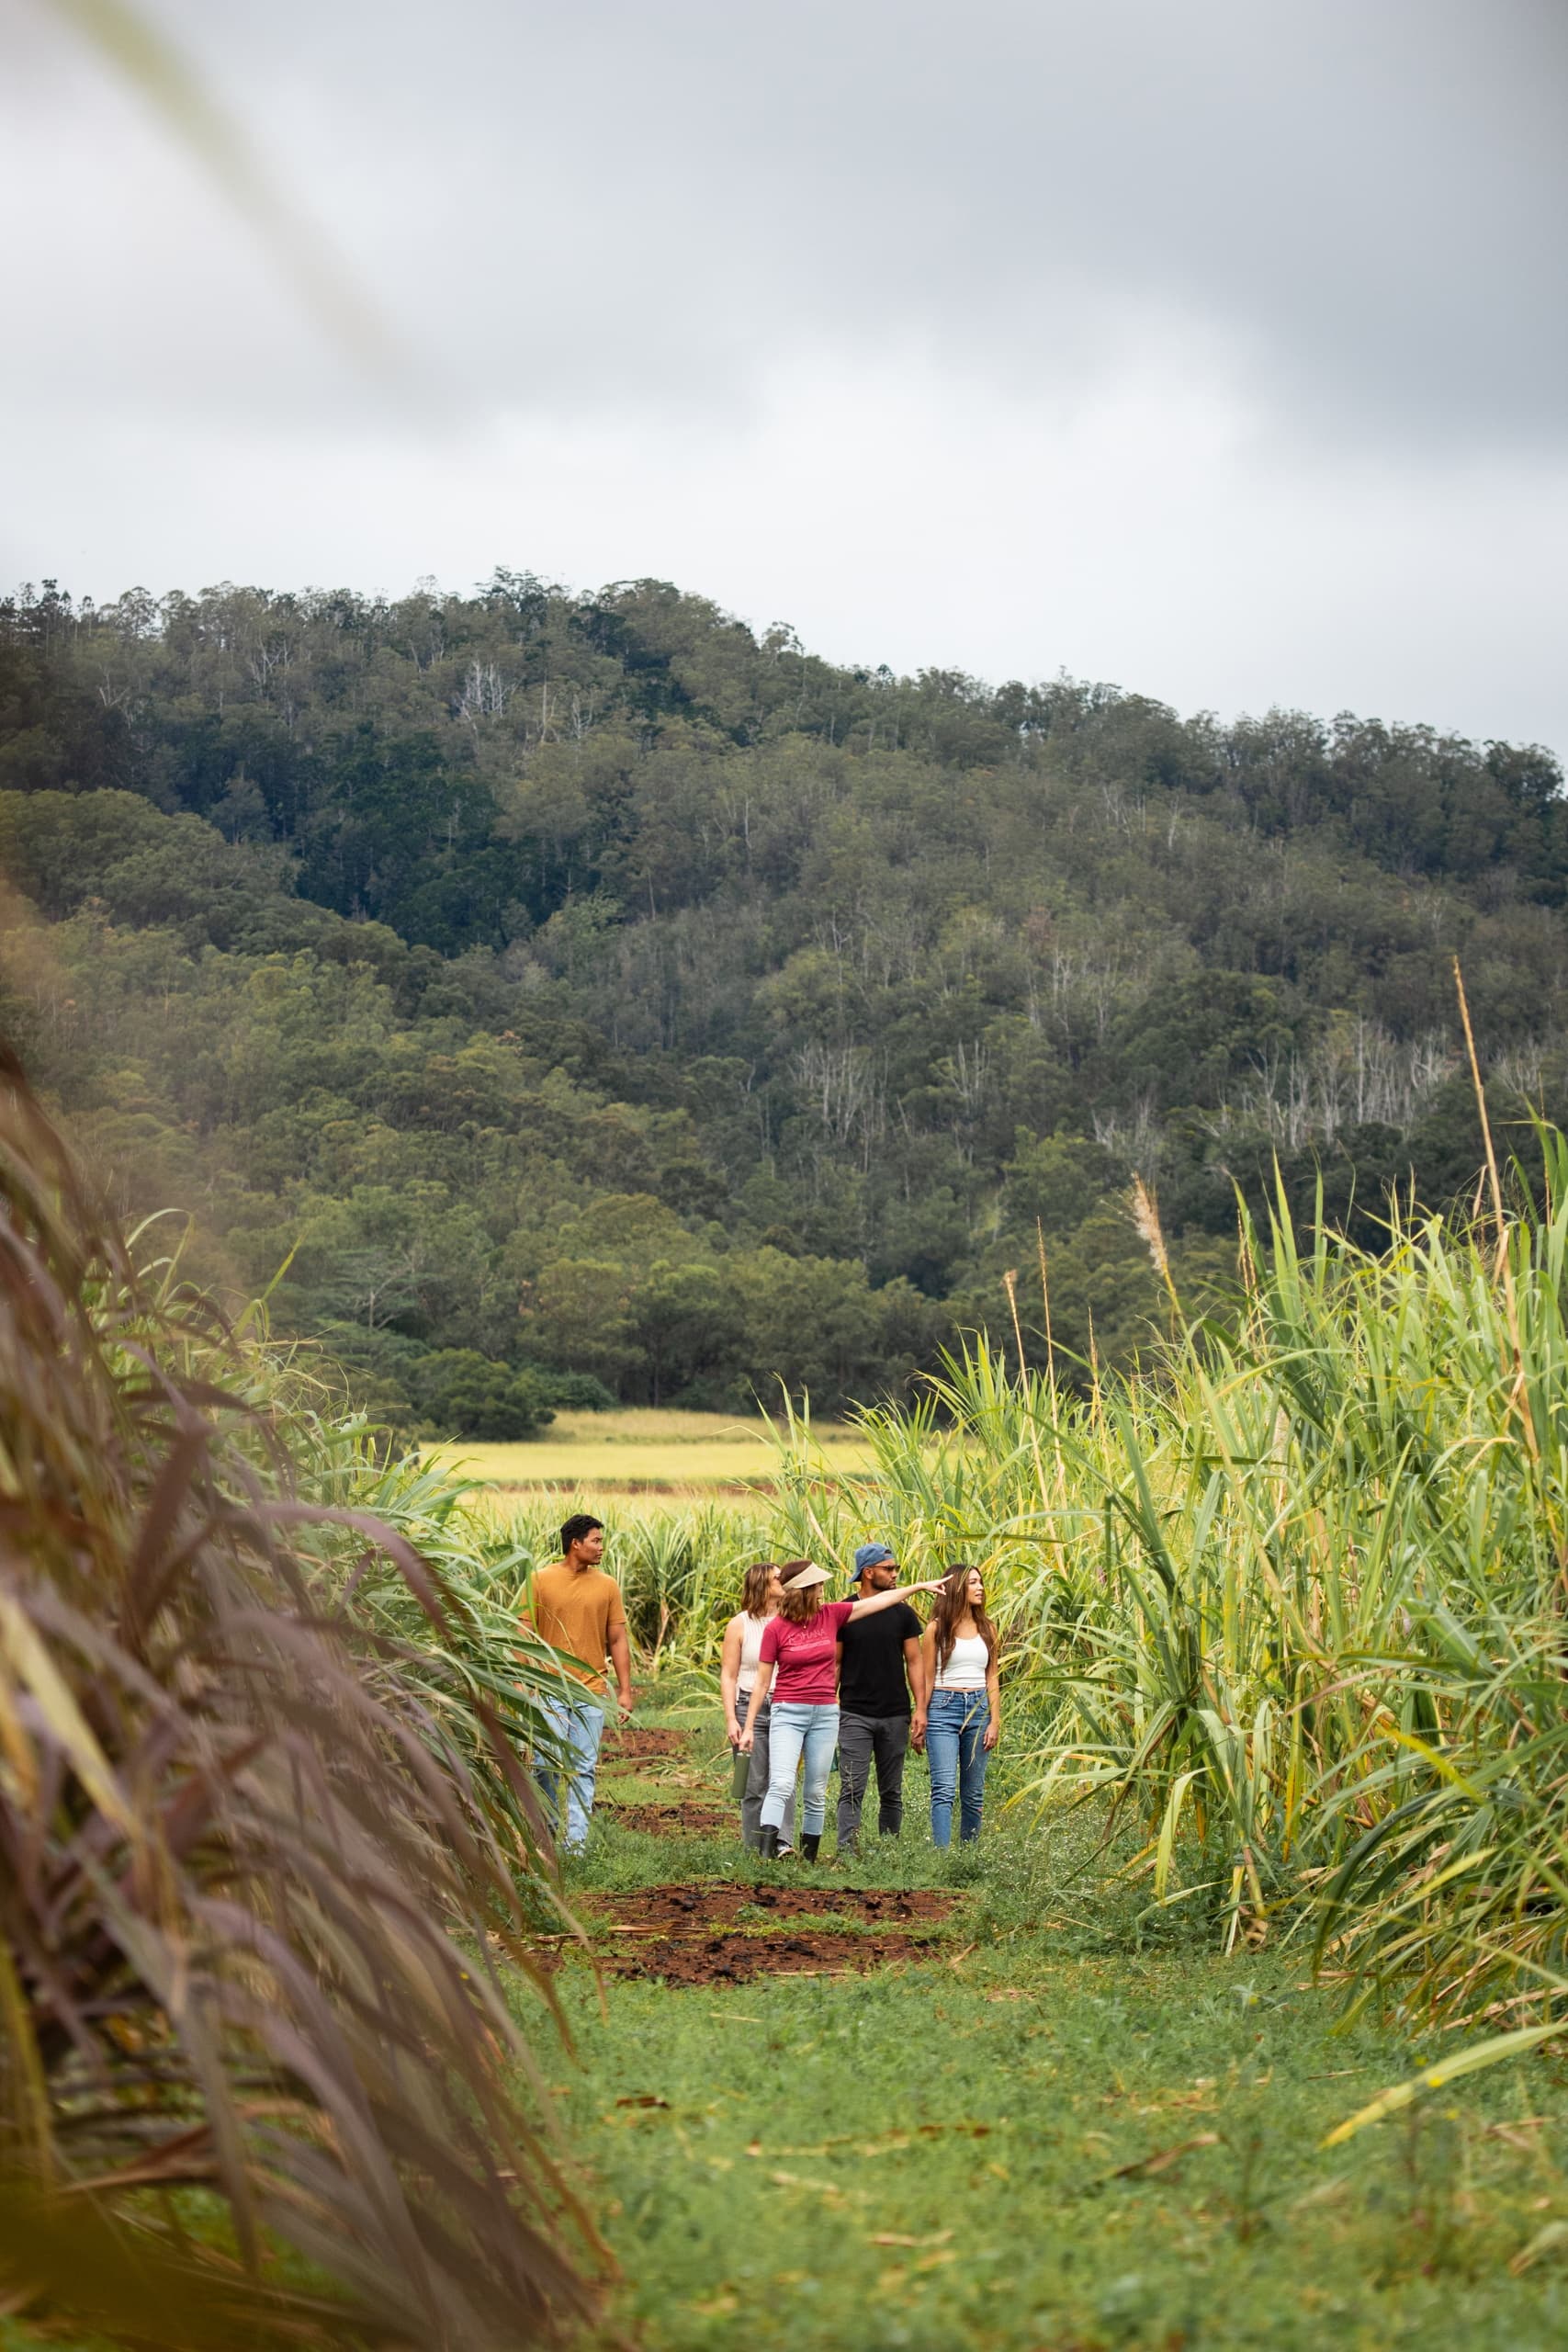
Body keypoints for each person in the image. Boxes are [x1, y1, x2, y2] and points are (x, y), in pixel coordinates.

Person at [739, 1559, 944, 1862]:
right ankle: (768, 1853)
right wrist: (748, 1727)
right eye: (818, 1584)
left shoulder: (831, 1615)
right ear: (803, 1588)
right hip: (788, 1711)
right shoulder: (777, 1629)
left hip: (824, 1714)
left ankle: (808, 1858)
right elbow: (762, 1683)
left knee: (816, 1791)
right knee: (781, 1783)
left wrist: (919, 1587)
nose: (824, 1588)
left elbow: (882, 1601)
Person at [519, 1512, 633, 1854]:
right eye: (596, 1541)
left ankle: (576, 1845)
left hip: (591, 1692)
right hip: (549, 1689)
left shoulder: (607, 1585)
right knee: (545, 1763)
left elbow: (617, 1639)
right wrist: (524, 1683)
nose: (601, 1547)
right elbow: (523, 1634)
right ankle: (550, 1826)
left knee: (583, 1769)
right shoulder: (539, 1580)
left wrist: (626, 1691)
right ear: (575, 1543)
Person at [835, 1541, 926, 1855]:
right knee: (851, 1787)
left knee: (892, 1790)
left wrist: (920, 1709)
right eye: (889, 1569)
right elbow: (835, 1662)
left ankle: (889, 1851)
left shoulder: (902, 1613)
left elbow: (914, 1661)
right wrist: (829, 1702)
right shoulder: (845, 1612)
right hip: (854, 1712)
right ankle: (847, 1851)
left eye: (896, 1568)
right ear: (868, 1572)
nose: (895, 1574)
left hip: (895, 1713)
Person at [916, 1564, 1001, 1848]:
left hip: (978, 1709)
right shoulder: (936, 1629)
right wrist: (920, 1717)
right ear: (957, 1588)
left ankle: (968, 1856)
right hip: (943, 1707)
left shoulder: (987, 1628)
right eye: (973, 1583)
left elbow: (992, 1676)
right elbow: (927, 1678)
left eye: (981, 1582)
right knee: (944, 1789)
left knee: (974, 1792)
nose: (980, 1588)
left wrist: (995, 1720)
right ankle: (943, 1857)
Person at [719, 1562, 795, 1853]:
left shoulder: (791, 1619)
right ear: (763, 1584)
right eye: (779, 1578)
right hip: (748, 1705)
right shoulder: (740, 1624)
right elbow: (729, 1675)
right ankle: (754, 1847)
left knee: (784, 1777)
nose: (784, 1581)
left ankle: (782, 1842)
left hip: (786, 1704)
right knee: (753, 1782)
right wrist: (730, 1719)